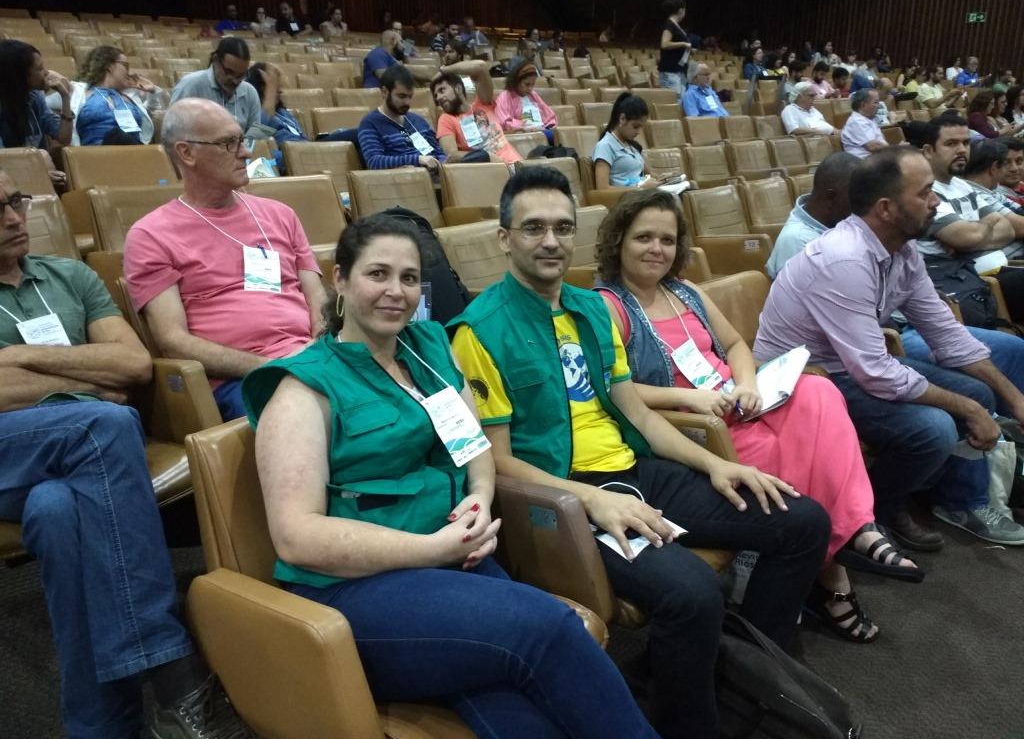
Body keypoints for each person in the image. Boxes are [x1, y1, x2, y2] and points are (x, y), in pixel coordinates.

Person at [240, 212, 659, 739]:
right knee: (550, 630)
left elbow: (472, 443)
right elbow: (296, 537)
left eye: (410, 278)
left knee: (516, 704)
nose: (396, 291)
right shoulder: (302, 391)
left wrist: (480, 495)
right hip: (355, 592)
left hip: (453, 559)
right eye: (378, 274)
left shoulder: (430, 347)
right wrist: (433, 549)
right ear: (340, 279)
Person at [449, 166, 830, 739]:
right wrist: (591, 501)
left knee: (801, 522)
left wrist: (718, 464)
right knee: (693, 592)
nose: (550, 241)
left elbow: (638, 413)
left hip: (632, 468)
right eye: (533, 228)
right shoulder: (478, 331)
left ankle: (741, 673)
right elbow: (496, 460)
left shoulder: (590, 309)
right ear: (505, 238)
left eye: (562, 227)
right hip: (564, 494)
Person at [594, 189, 922, 643]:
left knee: (819, 390)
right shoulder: (607, 306)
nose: (657, 249)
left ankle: (853, 531)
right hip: (694, 424)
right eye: (643, 238)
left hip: (738, 401)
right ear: (619, 242)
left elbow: (734, 346)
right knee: (791, 452)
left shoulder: (684, 291)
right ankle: (838, 567)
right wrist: (689, 397)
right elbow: (613, 389)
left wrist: (746, 384)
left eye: (667, 240)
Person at [0, 168, 254, 739]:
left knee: (58, 512)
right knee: (107, 421)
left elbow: (134, 365)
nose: (15, 218)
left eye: (16, 201)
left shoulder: (68, 275)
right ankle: (171, 667)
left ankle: (101, 727)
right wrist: (88, 379)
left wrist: (18, 360)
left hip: (76, 457)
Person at [754, 147, 1024, 548]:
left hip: (848, 366)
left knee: (979, 392)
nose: (936, 202)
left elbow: (946, 334)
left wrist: (1014, 398)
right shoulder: (844, 260)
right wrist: (969, 410)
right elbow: (876, 373)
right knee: (935, 428)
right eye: (925, 192)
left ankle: (944, 496)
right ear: (886, 208)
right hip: (805, 380)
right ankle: (874, 511)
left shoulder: (903, 251)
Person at [123, 99, 325, 421]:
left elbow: (317, 299)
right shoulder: (150, 235)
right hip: (241, 377)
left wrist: (320, 350)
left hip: (312, 359)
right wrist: (270, 366)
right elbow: (173, 341)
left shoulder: (281, 215)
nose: (244, 152)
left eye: (242, 140)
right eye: (228, 143)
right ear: (186, 153)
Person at [914, 114, 1024, 318]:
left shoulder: (961, 185)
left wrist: (970, 234)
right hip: (963, 283)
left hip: (989, 271)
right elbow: (967, 237)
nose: (962, 150)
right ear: (928, 151)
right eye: (951, 143)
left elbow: (1007, 230)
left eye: (966, 143)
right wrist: (986, 225)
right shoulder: (925, 190)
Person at [765, 151, 860, 278]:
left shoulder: (838, 224)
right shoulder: (797, 242)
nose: (862, 205)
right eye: (855, 198)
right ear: (831, 198)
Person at [170, 38, 271, 140]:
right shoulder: (190, 85)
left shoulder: (250, 92)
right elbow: (173, 132)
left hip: (238, 149)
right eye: (229, 72)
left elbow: (256, 139)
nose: (235, 81)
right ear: (215, 60)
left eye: (241, 75)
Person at [0, 40, 72, 178]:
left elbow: (64, 138)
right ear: (20, 76)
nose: (47, 72)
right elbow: (2, 161)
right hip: (9, 177)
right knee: (43, 155)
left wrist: (65, 97)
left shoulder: (35, 97)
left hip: (36, 169)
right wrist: (37, 175)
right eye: (39, 69)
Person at [357, 64, 445, 172]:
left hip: (435, 176)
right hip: (403, 179)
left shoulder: (418, 121)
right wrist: (417, 159)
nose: (407, 102)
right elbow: (374, 162)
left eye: (410, 97)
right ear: (385, 92)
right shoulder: (370, 123)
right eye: (401, 96)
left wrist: (442, 164)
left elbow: (438, 153)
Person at [432, 60, 521, 165]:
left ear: (458, 88)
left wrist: (444, 70)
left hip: (518, 165)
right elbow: (451, 156)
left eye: (442, 90)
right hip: (496, 169)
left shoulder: (483, 103)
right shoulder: (446, 119)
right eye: (436, 95)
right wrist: (486, 156)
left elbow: (480, 67)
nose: (438, 98)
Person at [75, 46, 159, 146]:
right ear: (109, 66)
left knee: (123, 137)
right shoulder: (80, 92)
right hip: (97, 151)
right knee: (118, 135)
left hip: (133, 149)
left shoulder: (129, 96)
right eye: (125, 66)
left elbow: (154, 113)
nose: (128, 72)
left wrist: (153, 91)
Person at [593, 93, 657, 189]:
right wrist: (639, 188)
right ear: (622, 119)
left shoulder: (632, 146)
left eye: (641, 127)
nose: (639, 132)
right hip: (628, 197)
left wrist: (665, 179)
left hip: (642, 194)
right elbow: (602, 189)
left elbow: (650, 176)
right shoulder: (604, 146)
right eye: (635, 126)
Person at [494, 61, 558, 142]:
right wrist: (525, 127)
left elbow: (550, 116)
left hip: (541, 132)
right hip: (522, 136)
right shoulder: (505, 96)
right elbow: (505, 123)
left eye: (532, 84)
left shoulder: (533, 95)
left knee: (557, 135)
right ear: (516, 81)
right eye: (527, 84)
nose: (530, 88)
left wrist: (548, 127)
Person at [841, 88, 888, 159]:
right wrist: (895, 149)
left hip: (876, 159)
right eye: (876, 102)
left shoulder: (869, 119)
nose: (879, 106)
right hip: (863, 162)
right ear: (863, 105)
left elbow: (881, 141)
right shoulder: (856, 121)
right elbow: (873, 147)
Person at [657, 0, 690, 96]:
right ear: (681, 10)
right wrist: (683, 44)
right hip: (670, 71)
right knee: (674, 100)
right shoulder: (670, 25)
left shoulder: (676, 25)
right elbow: (664, 44)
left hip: (680, 70)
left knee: (681, 100)